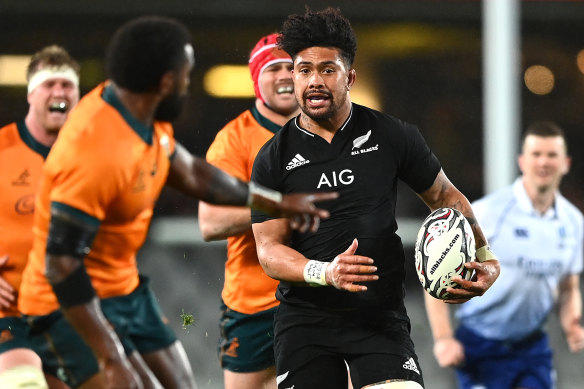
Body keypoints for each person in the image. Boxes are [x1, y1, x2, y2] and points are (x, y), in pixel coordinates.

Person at [17, 16, 336, 389]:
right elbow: (60, 264)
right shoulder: (93, 152)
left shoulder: (142, 111)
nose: (188, 85)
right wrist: (111, 356)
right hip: (65, 304)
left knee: (182, 384)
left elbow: (194, 174)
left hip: (123, 289)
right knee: (128, 385)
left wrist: (278, 202)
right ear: (166, 82)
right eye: (186, 76)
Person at [250, 7, 500, 389]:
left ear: (349, 77)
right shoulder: (271, 159)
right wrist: (326, 272)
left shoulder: (394, 136)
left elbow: (445, 197)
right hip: (306, 324)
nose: (314, 81)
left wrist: (487, 260)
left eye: (327, 70)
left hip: (379, 318)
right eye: (304, 71)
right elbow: (268, 250)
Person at [424, 121, 584, 389]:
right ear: (522, 161)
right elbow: (438, 275)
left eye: (552, 155)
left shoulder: (574, 223)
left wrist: (573, 324)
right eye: (536, 154)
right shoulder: (488, 213)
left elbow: (568, 288)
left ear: (565, 163)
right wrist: (443, 339)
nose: (543, 162)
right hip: (480, 345)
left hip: (532, 347)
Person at [197, 33, 298, 389]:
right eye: (274, 68)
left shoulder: (328, 130)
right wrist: (282, 207)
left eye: (293, 67)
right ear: (257, 78)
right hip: (254, 302)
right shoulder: (234, 139)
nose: (285, 75)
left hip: (318, 291)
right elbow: (211, 222)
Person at [0, 45, 80, 389]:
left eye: (67, 85)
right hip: (10, 313)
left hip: (72, 315)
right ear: (32, 94)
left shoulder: (91, 161)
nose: (59, 92)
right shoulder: (3, 150)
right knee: (24, 383)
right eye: (50, 84)